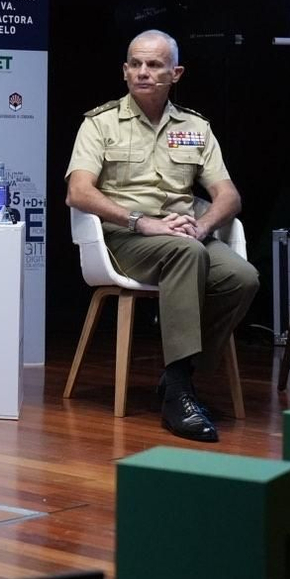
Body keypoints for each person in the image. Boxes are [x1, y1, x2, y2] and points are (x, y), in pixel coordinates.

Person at [65, 29, 259, 442]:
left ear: (176, 72)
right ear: (124, 71)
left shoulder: (195, 126)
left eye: (154, 65)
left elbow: (228, 196)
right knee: (187, 256)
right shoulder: (100, 124)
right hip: (126, 240)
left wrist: (203, 226)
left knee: (243, 278)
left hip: (186, 237)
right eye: (135, 64)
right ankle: (178, 397)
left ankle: (179, 376)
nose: (143, 72)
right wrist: (140, 221)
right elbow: (78, 192)